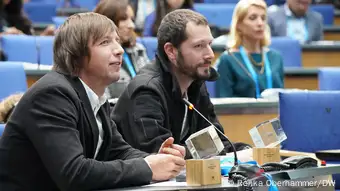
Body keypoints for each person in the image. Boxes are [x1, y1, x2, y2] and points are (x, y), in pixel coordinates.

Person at [0, 12, 186, 191]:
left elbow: (118, 151)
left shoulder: (94, 96)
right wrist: (148, 167)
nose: (119, 50)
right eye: (105, 42)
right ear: (76, 54)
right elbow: (74, 173)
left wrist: (158, 160)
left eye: (117, 41)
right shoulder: (52, 94)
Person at [112, 9, 251, 159]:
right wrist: (196, 151)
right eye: (198, 46)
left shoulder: (195, 82)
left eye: (209, 44)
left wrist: (244, 150)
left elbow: (217, 142)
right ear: (171, 51)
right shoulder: (146, 92)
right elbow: (161, 156)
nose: (210, 54)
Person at [214, 0, 284, 98]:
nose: (260, 23)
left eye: (263, 18)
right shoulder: (228, 59)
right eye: (253, 18)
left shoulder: (276, 57)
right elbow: (223, 103)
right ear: (239, 25)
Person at [94, 0, 150, 98]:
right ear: (108, 20)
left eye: (132, 19)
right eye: (124, 19)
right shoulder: (99, 55)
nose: (132, 25)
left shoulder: (138, 49)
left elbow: (151, 81)